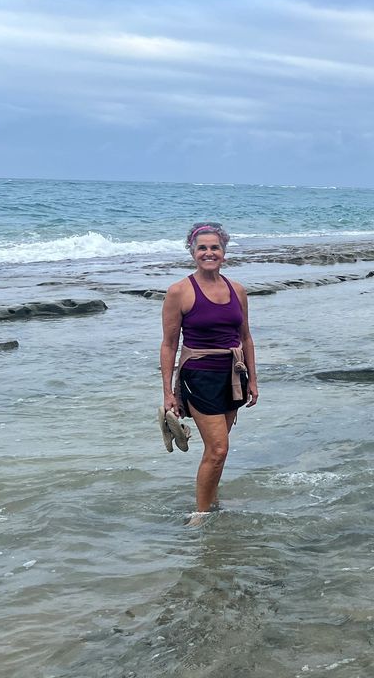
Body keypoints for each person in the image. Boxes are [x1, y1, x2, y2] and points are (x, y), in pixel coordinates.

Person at [160, 222, 259, 522]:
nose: (209, 252)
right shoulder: (179, 291)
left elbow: (246, 337)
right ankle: (201, 514)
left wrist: (253, 379)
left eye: (214, 247)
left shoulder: (237, 290)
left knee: (218, 450)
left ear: (224, 253)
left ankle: (212, 500)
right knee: (218, 449)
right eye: (202, 247)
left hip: (233, 377)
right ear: (192, 252)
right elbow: (168, 345)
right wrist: (168, 393)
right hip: (198, 378)